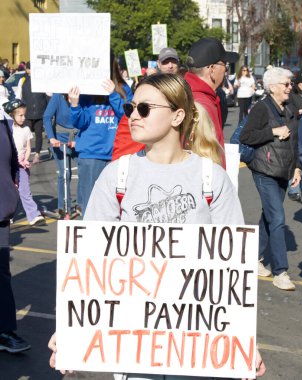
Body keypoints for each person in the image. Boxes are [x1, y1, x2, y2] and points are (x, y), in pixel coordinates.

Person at [48, 73, 266, 379]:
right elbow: (90, 263)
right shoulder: (116, 176)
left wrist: (243, 341)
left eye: (145, 109)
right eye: (130, 108)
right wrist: (72, 333)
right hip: (133, 347)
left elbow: (231, 269)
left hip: (195, 349)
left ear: (177, 115)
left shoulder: (211, 178)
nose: (134, 116)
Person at [240, 67, 301, 290]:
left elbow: (294, 140)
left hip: (283, 169)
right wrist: (273, 132)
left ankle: (253, 258)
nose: (290, 87)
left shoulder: (290, 106)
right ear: (273, 86)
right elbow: (246, 136)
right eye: (286, 84)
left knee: (269, 215)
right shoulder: (261, 108)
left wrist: (296, 168)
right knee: (277, 218)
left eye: (290, 83)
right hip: (264, 169)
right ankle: (280, 271)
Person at [68, 51, 133, 214]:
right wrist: (75, 105)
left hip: (117, 155)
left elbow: (129, 117)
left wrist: (113, 95)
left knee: (115, 206)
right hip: (91, 155)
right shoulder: (87, 88)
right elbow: (80, 123)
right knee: (91, 205)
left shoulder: (123, 88)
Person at [0, 114, 31, 353]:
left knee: (1, 275)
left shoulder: (3, 124)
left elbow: (11, 165)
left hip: (1, 211)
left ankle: (4, 331)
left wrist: (11, 192)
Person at [184, 37, 239, 166]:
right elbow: (208, 157)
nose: (226, 69)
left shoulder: (188, 94)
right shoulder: (203, 104)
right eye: (224, 64)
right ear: (212, 69)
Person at [3, 99, 45, 226]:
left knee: (25, 191)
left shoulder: (26, 129)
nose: (23, 118)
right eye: (20, 115)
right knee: (7, 192)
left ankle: (33, 215)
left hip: (21, 165)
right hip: (8, 165)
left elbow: (28, 147)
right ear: (11, 115)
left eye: (24, 115)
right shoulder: (6, 130)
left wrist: (25, 159)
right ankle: (6, 214)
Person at [43, 93, 82, 217]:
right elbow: (47, 116)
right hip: (60, 138)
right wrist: (51, 137)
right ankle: (63, 206)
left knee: (84, 170)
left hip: (78, 137)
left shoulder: (83, 94)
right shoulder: (58, 96)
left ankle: (81, 203)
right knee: (65, 173)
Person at [17, 61, 48, 164]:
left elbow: (48, 94)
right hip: (27, 112)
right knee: (26, 134)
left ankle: (37, 155)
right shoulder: (23, 80)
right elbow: (18, 96)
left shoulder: (42, 80)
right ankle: (25, 155)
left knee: (39, 134)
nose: (29, 70)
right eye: (28, 68)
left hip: (40, 111)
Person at [287, 70, 302, 202]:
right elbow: (290, 112)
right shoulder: (292, 96)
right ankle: (294, 188)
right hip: (296, 128)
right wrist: (301, 111)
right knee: (296, 158)